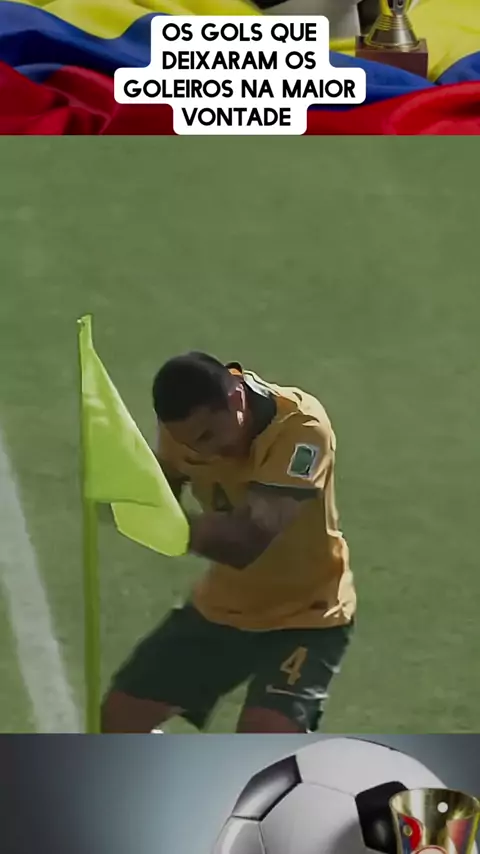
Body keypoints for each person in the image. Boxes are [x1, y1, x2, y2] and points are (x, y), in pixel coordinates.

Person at [102, 353, 356, 733]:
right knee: (120, 718)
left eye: (208, 437)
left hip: (307, 614)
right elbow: (162, 488)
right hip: (224, 607)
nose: (205, 452)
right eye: (191, 444)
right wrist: (124, 490)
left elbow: (247, 542)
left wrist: (166, 525)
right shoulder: (185, 431)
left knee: (263, 735)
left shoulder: (302, 429)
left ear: (236, 397)